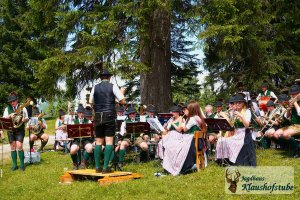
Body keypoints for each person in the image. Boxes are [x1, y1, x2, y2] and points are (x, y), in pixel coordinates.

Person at [89, 69, 125, 173]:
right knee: (109, 142)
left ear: (100, 78)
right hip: (109, 115)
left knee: (98, 142)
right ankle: (105, 167)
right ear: (109, 77)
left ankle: (97, 167)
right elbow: (122, 101)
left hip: (98, 116)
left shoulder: (95, 87)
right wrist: (122, 92)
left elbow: (91, 102)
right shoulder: (113, 86)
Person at [216, 94, 256, 166]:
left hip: (244, 134)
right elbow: (231, 125)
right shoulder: (232, 112)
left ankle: (233, 161)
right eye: (235, 103)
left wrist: (240, 116)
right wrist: (224, 116)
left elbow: (247, 125)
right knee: (221, 140)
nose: (237, 104)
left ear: (243, 103)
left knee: (233, 142)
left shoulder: (247, 111)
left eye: (239, 102)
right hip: (236, 133)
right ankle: (224, 160)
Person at [3, 92, 29, 171]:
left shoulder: (22, 108)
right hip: (11, 130)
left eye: (13, 101)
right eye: (11, 102)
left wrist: (25, 120)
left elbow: (27, 118)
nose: (12, 103)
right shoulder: (7, 109)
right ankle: (14, 165)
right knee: (12, 147)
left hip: (20, 129)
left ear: (17, 100)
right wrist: (9, 116)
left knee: (19, 146)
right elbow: (4, 119)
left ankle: (22, 164)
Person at [273, 84, 300, 157]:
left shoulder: (296, 102)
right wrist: (288, 110)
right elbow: (287, 117)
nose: (293, 96)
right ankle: (291, 147)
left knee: (285, 134)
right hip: (293, 125)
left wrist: (295, 104)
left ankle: (297, 149)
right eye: (292, 94)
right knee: (276, 134)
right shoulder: (293, 102)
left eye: (295, 94)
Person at [70, 104, 94, 169]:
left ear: (84, 113)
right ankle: (75, 164)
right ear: (77, 113)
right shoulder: (73, 122)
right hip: (77, 140)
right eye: (79, 113)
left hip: (86, 140)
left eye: (82, 113)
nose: (81, 114)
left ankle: (83, 163)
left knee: (90, 148)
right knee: (72, 150)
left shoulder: (88, 121)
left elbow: (91, 133)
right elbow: (71, 134)